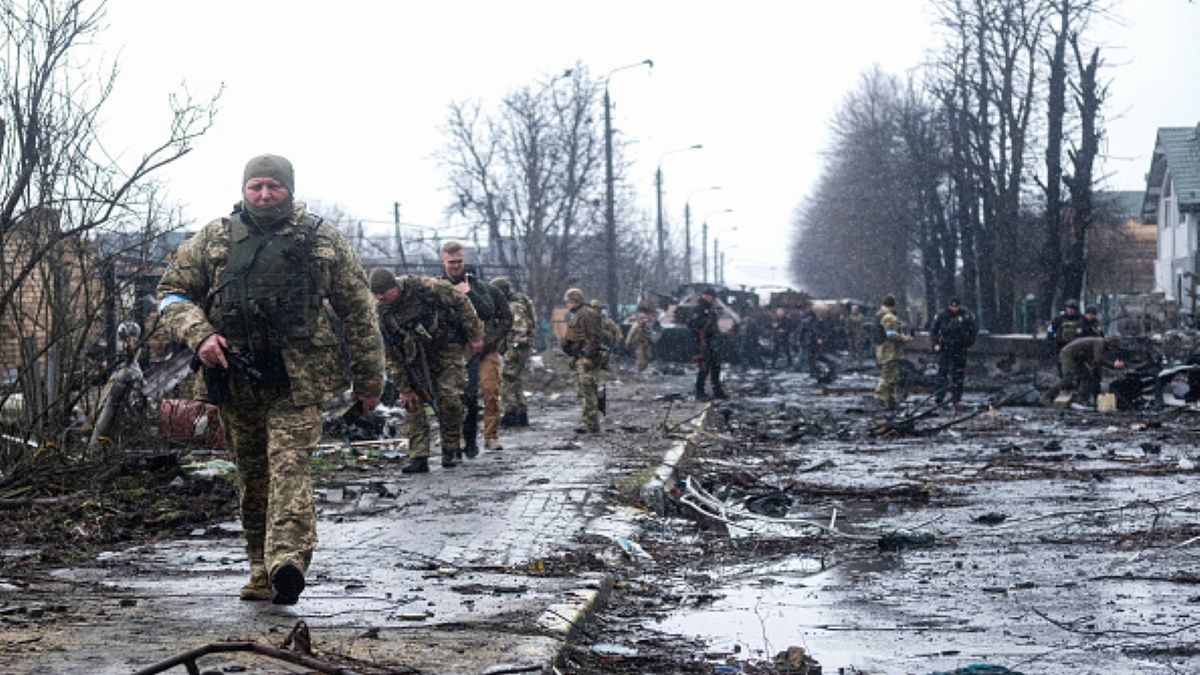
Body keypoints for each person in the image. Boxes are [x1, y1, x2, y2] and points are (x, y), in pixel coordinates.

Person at [156, 154, 384, 605]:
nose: (263, 195)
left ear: (290, 190)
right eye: (255, 186)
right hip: (235, 377)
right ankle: (260, 570)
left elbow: (360, 313)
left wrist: (369, 381)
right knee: (253, 475)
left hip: (299, 379)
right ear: (243, 189)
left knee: (288, 466)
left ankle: (288, 563)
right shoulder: (214, 238)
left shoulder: (322, 240)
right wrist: (199, 335)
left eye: (273, 187)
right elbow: (171, 294)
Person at [370, 268, 483, 474]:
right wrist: (403, 388)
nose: (380, 298)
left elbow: (463, 303)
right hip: (413, 359)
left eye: (383, 293)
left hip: (446, 350)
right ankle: (419, 456)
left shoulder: (427, 288)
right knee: (412, 403)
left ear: (394, 287)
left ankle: (451, 448)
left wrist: (474, 335)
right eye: (376, 295)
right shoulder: (382, 312)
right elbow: (390, 352)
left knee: (450, 399)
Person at [440, 242, 512, 454]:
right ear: (443, 262)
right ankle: (463, 438)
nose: (456, 266)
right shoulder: (437, 288)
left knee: (490, 392)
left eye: (459, 262)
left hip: (486, 349)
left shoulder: (482, 288)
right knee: (462, 397)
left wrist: (492, 341)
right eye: (451, 262)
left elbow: (502, 316)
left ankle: (491, 436)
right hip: (456, 352)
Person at [561, 288, 606, 433]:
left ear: (574, 300)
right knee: (583, 390)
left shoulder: (587, 314)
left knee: (588, 389)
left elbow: (594, 337)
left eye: (568, 301)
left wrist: (587, 355)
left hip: (587, 358)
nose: (566, 304)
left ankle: (590, 422)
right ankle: (588, 421)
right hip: (580, 356)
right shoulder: (579, 314)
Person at [494, 277, 536, 428]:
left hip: (517, 347)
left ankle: (511, 413)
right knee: (515, 379)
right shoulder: (520, 302)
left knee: (507, 378)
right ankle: (520, 412)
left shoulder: (513, 306)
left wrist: (513, 347)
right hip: (518, 346)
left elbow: (519, 329)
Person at [1041, 335, 1126, 407]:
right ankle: (1047, 397)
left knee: (1088, 377)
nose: (1112, 349)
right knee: (1068, 378)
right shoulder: (1099, 343)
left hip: (1079, 358)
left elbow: (1091, 357)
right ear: (1110, 343)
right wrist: (1113, 365)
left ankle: (1081, 400)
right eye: (1113, 346)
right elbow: (1099, 359)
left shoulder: (1100, 343)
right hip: (1068, 355)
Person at [930, 298, 978, 408]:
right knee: (943, 372)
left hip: (960, 347)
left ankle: (956, 399)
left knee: (958, 373)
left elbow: (973, 331)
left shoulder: (966, 315)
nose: (954, 309)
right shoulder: (943, 315)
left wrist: (967, 344)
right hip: (945, 347)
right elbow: (934, 331)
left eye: (956, 307)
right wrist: (936, 344)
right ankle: (940, 398)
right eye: (952, 307)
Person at [873, 295, 911, 409]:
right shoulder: (889, 317)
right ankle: (879, 397)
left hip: (884, 349)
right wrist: (905, 338)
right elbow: (891, 335)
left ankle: (891, 399)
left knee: (892, 376)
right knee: (887, 375)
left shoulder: (880, 314)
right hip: (889, 350)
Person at [689, 288, 726, 400]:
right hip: (703, 341)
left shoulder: (709, 309)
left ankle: (717, 391)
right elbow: (693, 326)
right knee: (704, 367)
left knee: (715, 367)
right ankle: (699, 392)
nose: (713, 300)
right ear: (706, 296)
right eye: (712, 297)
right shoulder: (699, 309)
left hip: (711, 342)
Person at [624, 307, 658, 374]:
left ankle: (644, 368)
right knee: (640, 359)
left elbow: (650, 334)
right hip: (639, 343)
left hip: (646, 343)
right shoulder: (636, 326)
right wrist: (628, 342)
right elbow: (631, 334)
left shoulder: (648, 325)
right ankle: (639, 371)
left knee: (648, 356)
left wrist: (651, 340)